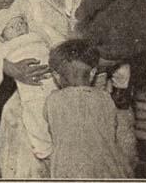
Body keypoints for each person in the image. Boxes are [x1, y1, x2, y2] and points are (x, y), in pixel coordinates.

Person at [0, 0, 88, 178]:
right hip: (43, 82)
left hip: (89, 82)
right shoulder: (27, 0)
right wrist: (11, 68)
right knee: (14, 113)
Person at [0, 8, 56, 160]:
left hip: (51, 79)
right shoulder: (3, 46)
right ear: (3, 36)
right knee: (34, 113)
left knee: (55, 110)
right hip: (30, 88)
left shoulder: (36, 36)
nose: (18, 27)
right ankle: (44, 149)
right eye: (11, 27)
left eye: (21, 23)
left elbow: (51, 45)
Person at [44, 39, 133, 178]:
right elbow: (113, 127)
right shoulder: (105, 98)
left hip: (68, 171)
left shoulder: (52, 100)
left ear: (56, 75)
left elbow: (51, 132)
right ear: (92, 73)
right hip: (107, 169)